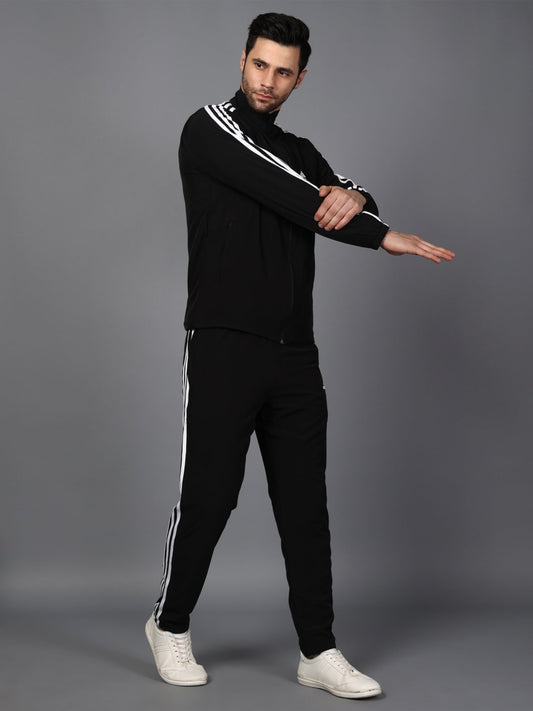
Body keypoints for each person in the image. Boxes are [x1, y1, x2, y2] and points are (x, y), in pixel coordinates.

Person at [145, 12, 455, 699]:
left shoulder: (301, 150)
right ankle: (168, 624)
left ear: (299, 79)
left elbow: (342, 193)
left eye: (283, 72)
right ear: (242, 60)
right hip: (224, 341)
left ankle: (318, 649)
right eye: (260, 65)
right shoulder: (208, 130)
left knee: (304, 505)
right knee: (210, 495)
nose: (268, 81)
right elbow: (293, 193)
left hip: (294, 351)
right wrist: (379, 232)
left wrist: (358, 197)